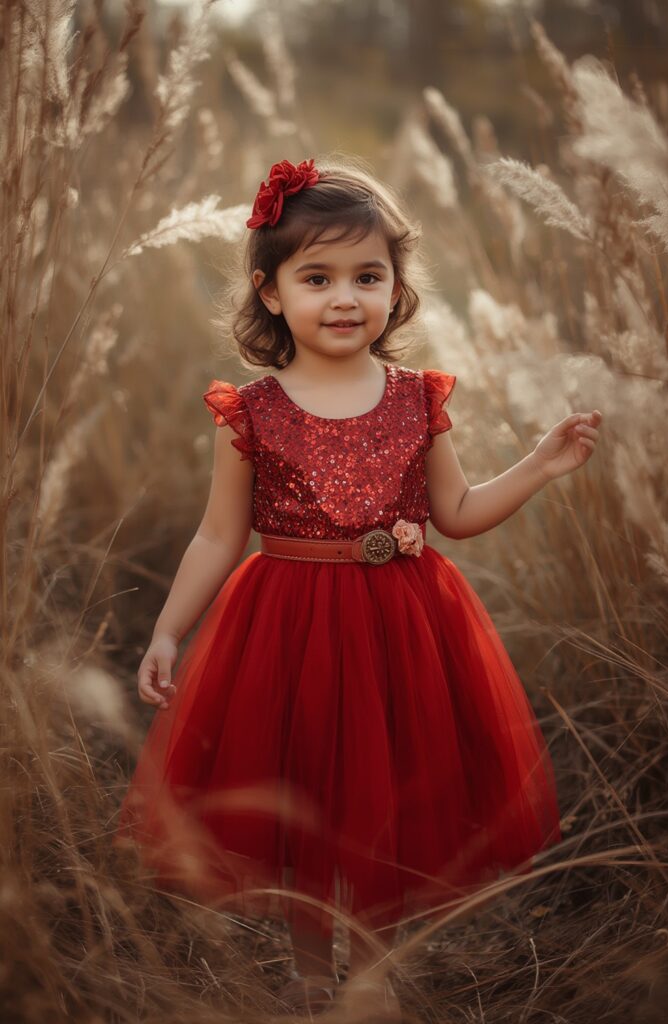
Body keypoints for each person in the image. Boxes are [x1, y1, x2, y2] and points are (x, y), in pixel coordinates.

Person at [115, 156, 602, 1015]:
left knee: (383, 798)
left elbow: (453, 510)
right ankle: (309, 973)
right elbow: (218, 534)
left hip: (402, 626)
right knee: (306, 797)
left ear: (394, 288)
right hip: (286, 626)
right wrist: (166, 630)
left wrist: (537, 464)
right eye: (318, 277)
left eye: (366, 276)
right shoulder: (252, 412)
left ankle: (373, 970)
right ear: (271, 293)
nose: (344, 297)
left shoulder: (416, 399)